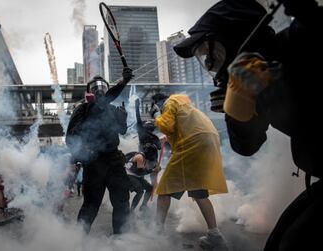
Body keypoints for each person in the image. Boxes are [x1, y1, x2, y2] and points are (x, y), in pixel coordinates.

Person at [173, 0, 323, 250]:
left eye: (210, 52)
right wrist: (239, 102)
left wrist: (306, 12)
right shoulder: (247, 82)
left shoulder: (294, 44)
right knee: (279, 239)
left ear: (234, 40)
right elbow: (246, 146)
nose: (209, 62)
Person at [149, 93, 229, 250]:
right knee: (198, 191)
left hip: (193, 142)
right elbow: (175, 131)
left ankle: (156, 233)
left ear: (158, 103)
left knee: (164, 190)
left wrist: (156, 116)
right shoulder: (184, 104)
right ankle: (215, 235)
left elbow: (166, 125)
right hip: (208, 139)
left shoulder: (170, 102)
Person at [65, 67, 133, 234]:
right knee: (91, 204)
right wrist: (84, 151)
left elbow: (122, 130)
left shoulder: (112, 109)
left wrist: (123, 118)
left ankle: (121, 239)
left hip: (114, 160)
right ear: (89, 92)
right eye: (94, 87)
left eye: (102, 86)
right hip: (94, 162)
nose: (99, 90)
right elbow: (71, 138)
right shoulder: (83, 109)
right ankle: (78, 241)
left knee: (122, 201)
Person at [125, 143, 161, 212]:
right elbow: (140, 172)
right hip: (129, 175)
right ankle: (131, 211)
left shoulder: (144, 157)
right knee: (140, 191)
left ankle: (143, 206)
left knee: (150, 188)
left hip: (136, 176)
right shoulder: (140, 157)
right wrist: (153, 170)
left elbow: (144, 170)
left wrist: (156, 168)